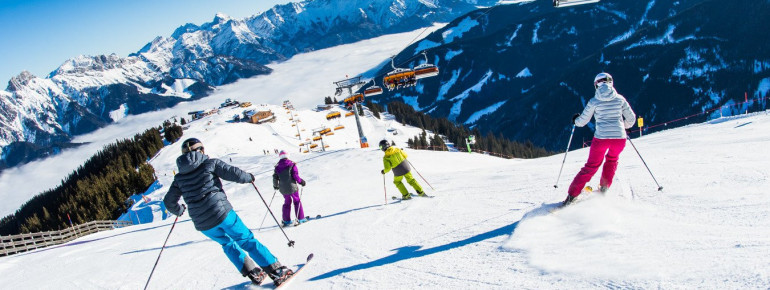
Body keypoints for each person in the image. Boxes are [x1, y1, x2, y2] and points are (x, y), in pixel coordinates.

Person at [164, 138, 293, 286]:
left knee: (227, 244)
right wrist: (248, 177)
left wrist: (179, 210)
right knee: (246, 240)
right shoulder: (210, 163)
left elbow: (168, 202)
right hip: (221, 212)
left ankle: (254, 273)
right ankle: (277, 272)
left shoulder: (179, 178)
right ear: (201, 150)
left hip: (202, 223)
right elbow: (233, 173)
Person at [564, 73, 636, 206]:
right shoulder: (620, 99)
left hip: (601, 139)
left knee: (591, 166)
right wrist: (622, 127)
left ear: (596, 84)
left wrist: (575, 120)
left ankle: (572, 196)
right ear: (611, 83)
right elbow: (631, 119)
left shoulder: (594, 101)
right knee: (612, 160)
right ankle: (604, 189)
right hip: (619, 139)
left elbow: (582, 122)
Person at [272, 150, 307, 226]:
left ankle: (286, 220)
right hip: (292, 187)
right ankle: (300, 218)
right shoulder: (291, 165)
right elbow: (295, 176)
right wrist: (301, 182)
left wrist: (276, 186)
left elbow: (275, 177)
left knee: (287, 202)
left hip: (283, 189)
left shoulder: (277, 166)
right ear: (288, 156)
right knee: (296, 200)